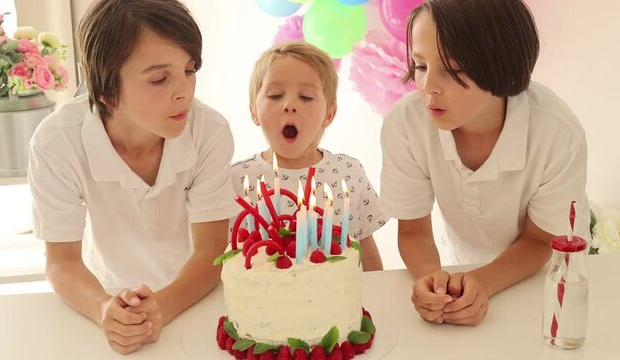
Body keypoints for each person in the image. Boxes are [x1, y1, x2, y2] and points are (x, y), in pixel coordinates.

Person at [27, 0, 236, 354]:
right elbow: (62, 262)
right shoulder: (55, 142)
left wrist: (162, 307)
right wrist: (103, 308)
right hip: (102, 293)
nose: (184, 90)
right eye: (159, 78)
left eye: (189, 69)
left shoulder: (210, 131)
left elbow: (211, 252)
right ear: (107, 90)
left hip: (195, 295)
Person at [379, 0, 589, 326]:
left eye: (453, 70)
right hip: (467, 267)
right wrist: (432, 280)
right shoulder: (405, 125)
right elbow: (414, 231)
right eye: (420, 66)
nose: (428, 87)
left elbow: (540, 240)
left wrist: (485, 281)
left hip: (546, 279)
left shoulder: (556, 133)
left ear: (501, 63)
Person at [232, 41, 385, 271]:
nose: (290, 105)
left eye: (305, 97)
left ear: (329, 114)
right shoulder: (235, 180)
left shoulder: (348, 174)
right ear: (254, 110)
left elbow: (366, 250)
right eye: (275, 95)